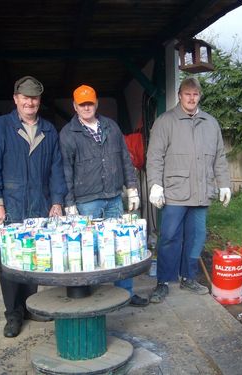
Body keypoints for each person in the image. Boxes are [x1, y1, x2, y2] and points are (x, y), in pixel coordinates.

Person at [0, 76, 67, 338]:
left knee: (35, 258)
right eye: (25, 97)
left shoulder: (49, 130)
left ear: (39, 101)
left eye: (35, 98)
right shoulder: (1, 127)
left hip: (40, 204)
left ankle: (30, 307)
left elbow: (56, 170)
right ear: (16, 99)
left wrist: (57, 201)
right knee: (10, 262)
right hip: (11, 206)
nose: (30, 102)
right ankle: (13, 314)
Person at [59, 84, 148, 307]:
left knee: (121, 247)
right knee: (88, 250)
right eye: (82, 104)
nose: (87, 107)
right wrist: (69, 203)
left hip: (114, 199)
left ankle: (126, 294)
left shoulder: (111, 127)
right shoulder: (68, 134)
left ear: (96, 103)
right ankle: (87, 297)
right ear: (75, 106)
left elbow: (125, 160)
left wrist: (132, 188)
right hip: (86, 202)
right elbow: (65, 170)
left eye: (90, 103)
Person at [146, 77, 231, 303]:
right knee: (170, 237)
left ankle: (188, 277)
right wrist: (155, 184)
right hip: (175, 191)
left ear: (199, 96)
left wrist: (224, 184)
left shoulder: (211, 123)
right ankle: (163, 281)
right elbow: (154, 156)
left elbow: (220, 157)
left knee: (196, 237)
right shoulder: (165, 122)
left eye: (195, 94)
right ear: (180, 95)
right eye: (187, 94)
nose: (191, 98)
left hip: (201, 192)